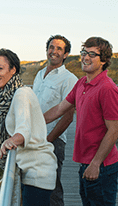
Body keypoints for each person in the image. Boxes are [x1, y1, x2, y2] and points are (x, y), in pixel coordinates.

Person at [44, 37, 118, 205]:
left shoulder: (107, 88)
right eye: (84, 52)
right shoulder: (81, 83)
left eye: (92, 54)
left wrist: (96, 163)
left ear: (104, 60)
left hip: (102, 166)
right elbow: (59, 109)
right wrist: (33, 124)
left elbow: (114, 130)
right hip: (85, 164)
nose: (85, 57)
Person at [0, 48, 57, 206]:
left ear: (13, 70)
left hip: (37, 172)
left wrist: (12, 140)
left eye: (0, 68)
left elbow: (24, 128)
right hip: (33, 169)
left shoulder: (21, 94)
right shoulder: (14, 93)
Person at [33, 35, 78, 206]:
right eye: (51, 47)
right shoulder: (39, 74)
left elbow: (68, 116)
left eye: (59, 48)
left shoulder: (69, 79)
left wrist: (49, 139)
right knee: (35, 186)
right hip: (33, 139)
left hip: (54, 141)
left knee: (52, 190)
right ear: (47, 50)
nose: (54, 51)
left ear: (66, 54)